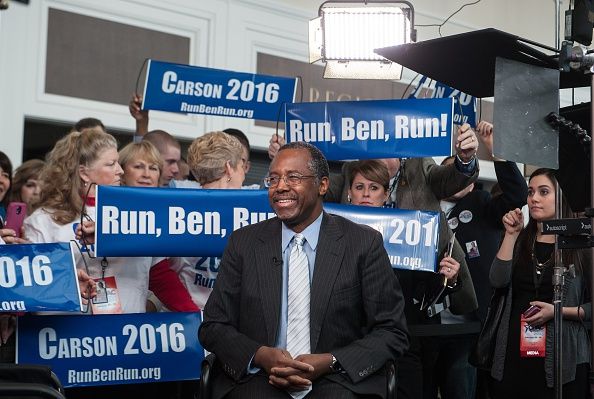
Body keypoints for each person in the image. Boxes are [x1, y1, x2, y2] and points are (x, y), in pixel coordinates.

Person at [269, 125, 480, 399]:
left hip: (402, 338)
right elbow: (306, 190)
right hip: (341, 344)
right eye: (359, 187)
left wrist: (448, 279)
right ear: (347, 193)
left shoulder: (410, 231)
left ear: (385, 195)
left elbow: (426, 290)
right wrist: (284, 158)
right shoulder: (325, 232)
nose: (366, 194)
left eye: (374, 188)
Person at [199, 141, 409, 399]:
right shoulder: (244, 243)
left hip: (336, 378)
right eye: (273, 179)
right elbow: (213, 326)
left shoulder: (363, 244)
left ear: (322, 185)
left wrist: (331, 360)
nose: (281, 187)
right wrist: (261, 356)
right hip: (260, 378)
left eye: (293, 177)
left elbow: (391, 331)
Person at [23, 129, 194, 314]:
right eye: (111, 164)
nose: (120, 171)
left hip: (128, 333)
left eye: (119, 163)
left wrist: (198, 318)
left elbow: (159, 275)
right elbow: (34, 285)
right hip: (67, 336)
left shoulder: (137, 213)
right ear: (84, 173)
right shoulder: (43, 220)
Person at [427, 121, 528, 399]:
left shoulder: (482, 204)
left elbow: (518, 195)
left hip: (469, 326)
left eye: (460, 172)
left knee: (460, 389)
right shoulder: (423, 209)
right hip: (425, 326)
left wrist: (497, 150)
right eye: (447, 172)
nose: (454, 178)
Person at [488, 168, 591, 399]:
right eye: (531, 192)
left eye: (543, 192)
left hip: (565, 358)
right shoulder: (520, 239)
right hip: (514, 355)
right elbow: (497, 280)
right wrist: (511, 235)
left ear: (561, 197)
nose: (534, 198)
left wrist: (558, 312)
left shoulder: (581, 245)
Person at [170, 131, 246, 309]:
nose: (243, 173)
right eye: (241, 164)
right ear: (229, 168)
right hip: (206, 317)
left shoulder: (178, 209)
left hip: (185, 317)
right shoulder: (247, 213)